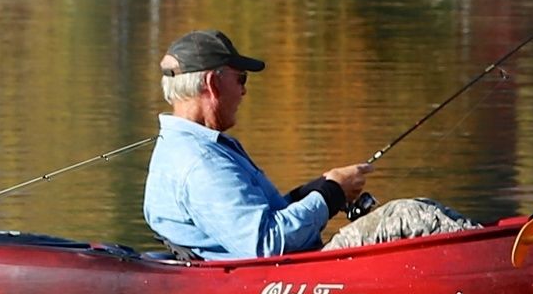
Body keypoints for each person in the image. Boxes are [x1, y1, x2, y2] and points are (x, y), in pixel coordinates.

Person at [141, 29, 470, 258]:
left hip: (286, 270)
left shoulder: (199, 150)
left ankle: (496, 247)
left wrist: (319, 189)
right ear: (213, 83)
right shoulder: (200, 163)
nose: (243, 91)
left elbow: (260, 221)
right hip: (278, 279)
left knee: (423, 210)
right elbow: (266, 243)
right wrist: (330, 195)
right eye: (240, 79)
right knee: (407, 215)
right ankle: (498, 257)